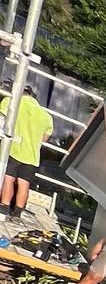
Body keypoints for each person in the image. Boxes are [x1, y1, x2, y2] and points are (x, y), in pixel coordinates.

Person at [0, 85, 54, 218]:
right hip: (32, 155)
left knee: (9, 179)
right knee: (24, 183)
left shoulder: (10, 101)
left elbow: (2, 120)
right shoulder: (46, 116)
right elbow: (44, 138)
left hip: (13, 149)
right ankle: (18, 212)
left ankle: (4, 207)